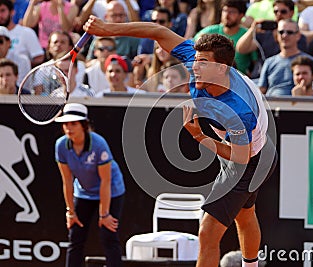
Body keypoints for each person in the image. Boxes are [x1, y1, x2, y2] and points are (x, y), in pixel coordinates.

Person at [84, 13, 276, 267]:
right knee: (245, 214)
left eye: (202, 62)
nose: (194, 66)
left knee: (207, 232)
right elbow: (158, 31)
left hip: (250, 158)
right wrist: (109, 29)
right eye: (195, 59)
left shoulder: (240, 109)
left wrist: (199, 136)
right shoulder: (199, 64)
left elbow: (241, 157)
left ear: (221, 68)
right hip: (248, 147)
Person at [55, 103, 126, 267]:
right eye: (66, 124)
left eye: (74, 124)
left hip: (111, 191)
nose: (69, 128)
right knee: (75, 237)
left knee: (108, 236)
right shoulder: (61, 146)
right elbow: (67, 181)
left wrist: (104, 214)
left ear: (84, 125)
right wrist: (70, 212)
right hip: (84, 193)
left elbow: (106, 181)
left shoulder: (99, 144)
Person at [236, 0, 307, 77]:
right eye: (276, 11)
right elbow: (241, 49)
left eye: (283, 11)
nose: (279, 14)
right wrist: (252, 29)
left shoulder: (297, 35)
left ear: (292, 13)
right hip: (262, 75)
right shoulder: (265, 33)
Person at [194, 0, 258, 75]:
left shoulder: (247, 35)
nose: (227, 15)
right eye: (225, 10)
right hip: (212, 75)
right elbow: (195, 44)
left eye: (232, 12)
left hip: (238, 78)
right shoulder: (211, 30)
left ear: (241, 15)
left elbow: (255, 63)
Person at [258, 19, 313, 96]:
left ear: (298, 36)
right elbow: (261, 90)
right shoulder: (269, 62)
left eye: (289, 32)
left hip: (299, 105)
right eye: (281, 32)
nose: (284, 35)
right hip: (272, 105)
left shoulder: (310, 61)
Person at [0, 0, 44, 67]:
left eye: (2, 11)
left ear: (12, 12)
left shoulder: (26, 32)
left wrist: (22, 65)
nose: (0, 15)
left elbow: (39, 58)